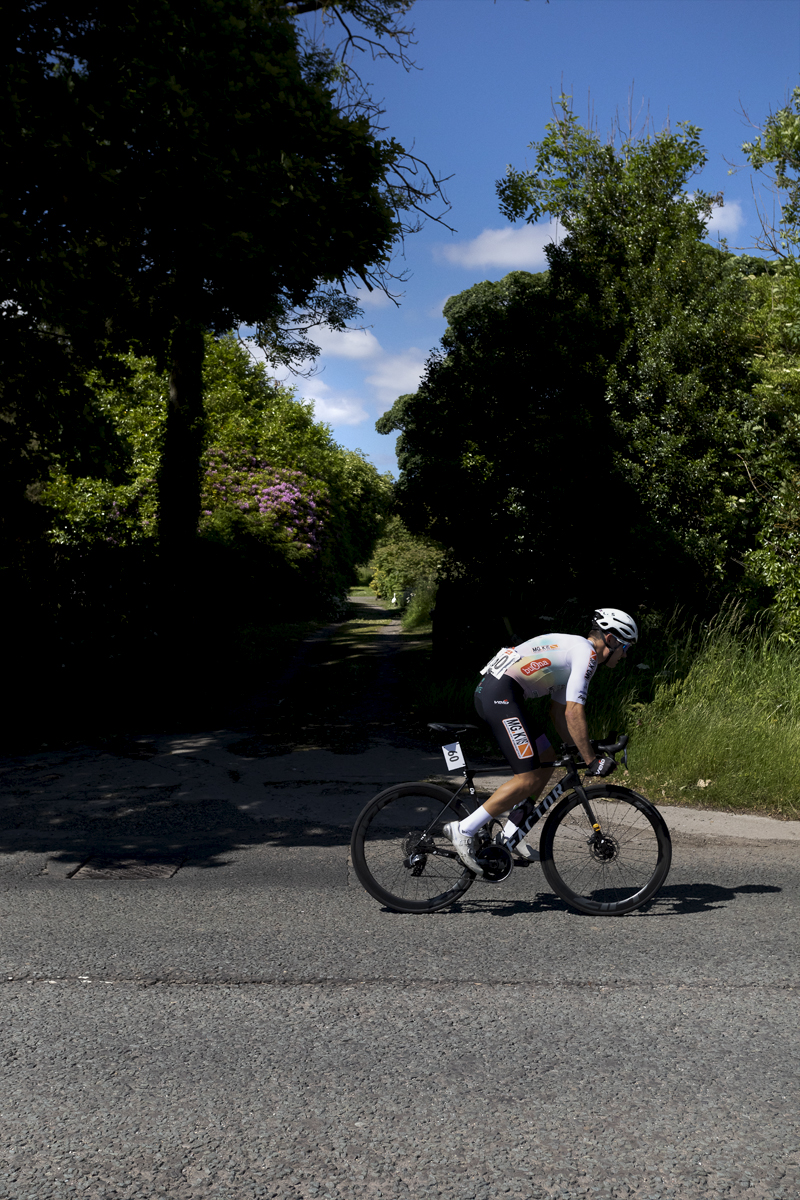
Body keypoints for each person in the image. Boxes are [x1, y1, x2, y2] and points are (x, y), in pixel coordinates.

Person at [444, 607, 638, 875]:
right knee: (526, 777)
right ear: (612, 639)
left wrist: (584, 749)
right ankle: (464, 829)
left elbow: (558, 713)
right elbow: (573, 711)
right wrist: (592, 760)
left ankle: (511, 833)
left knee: (546, 761)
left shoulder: (577, 651)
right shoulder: (587, 654)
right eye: (626, 646)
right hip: (501, 696)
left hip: (502, 693)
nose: (626, 655)